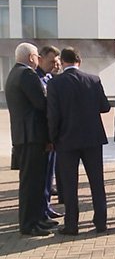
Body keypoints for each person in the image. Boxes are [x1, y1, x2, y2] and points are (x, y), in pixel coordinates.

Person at [47, 47, 111, 235]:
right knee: (97, 182)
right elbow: (105, 107)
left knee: (69, 184)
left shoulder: (55, 83)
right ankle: (101, 222)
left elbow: (53, 115)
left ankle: (71, 225)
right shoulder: (93, 80)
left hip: (66, 140)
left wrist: (52, 138)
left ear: (63, 62)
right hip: (92, 138)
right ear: (79, 61)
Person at [5, 42, 51, 236]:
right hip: (32, 136)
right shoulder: (27, 75)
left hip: (25, 135)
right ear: (32, 57)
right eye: (37, 57)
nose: (38, 60)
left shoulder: (13, 74)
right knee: (31, 183)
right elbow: (41, 103)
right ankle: (29, 224)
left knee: (33, 181)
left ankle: (37, 219)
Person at [36, 45, 64, 219]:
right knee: (42, 176)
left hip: (52, 135)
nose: (55, 64)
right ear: (40, 59)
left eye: (57, 61)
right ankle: (42, 210)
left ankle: (47, 207)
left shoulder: (49, 77)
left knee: (49, 175)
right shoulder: (36, 78)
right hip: (43, 136)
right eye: (51, 61)